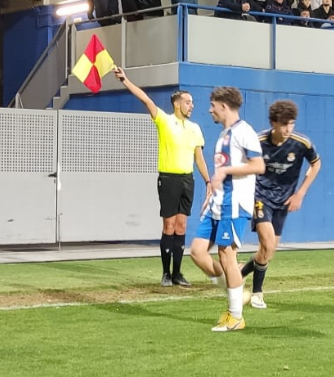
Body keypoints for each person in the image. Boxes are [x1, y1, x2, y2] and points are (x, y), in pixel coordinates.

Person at [113, 69, 211, 289]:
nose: (192, 105)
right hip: (168, 179)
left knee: (182, 225)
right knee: (169, 225)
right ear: (177, 104)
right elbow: (145, 99)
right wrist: (125, 80)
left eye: (192, 102)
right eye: (188, 102)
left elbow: (200, 159)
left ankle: (177, 273)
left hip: (187, 180)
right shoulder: (164, 121)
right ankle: (166, 273)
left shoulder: (195, 128)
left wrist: (208, 181)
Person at [189, 87, 265, 332]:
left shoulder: (245, 132)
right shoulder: (224, 134)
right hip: (218, 202)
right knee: (197, 252)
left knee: (226, 256)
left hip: (235, 203)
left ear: (224, 105)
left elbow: (258, 165)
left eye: (213, 105)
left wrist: (225, 172)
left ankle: (235, 316)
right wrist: (212, 189)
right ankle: (237, 291)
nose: (209, 109)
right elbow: (221, 170)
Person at [240, 100, 321, 309]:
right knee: (266, 243)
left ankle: (239, 273)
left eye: (291, 124)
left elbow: (316, 163)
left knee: (269, 252)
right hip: (260, 197)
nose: (288, 129)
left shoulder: (301, 143)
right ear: (273, 123)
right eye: (283, 124)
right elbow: (243, 163)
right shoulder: (258, 141)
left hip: (283, 201)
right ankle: (257, 293)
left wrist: (301, 193)